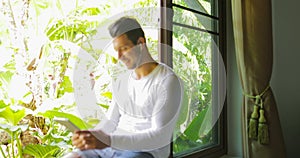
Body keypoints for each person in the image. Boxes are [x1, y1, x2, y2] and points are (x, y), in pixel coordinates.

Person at [64, 17, 183, 158]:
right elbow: (111, 122)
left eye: (124, 49)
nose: (119, 56)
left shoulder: (167, 80)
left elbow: (159, 136)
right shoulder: (122, 80)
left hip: (143, 151)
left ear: (140, 43)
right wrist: (90, 137)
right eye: (117, 50)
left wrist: (110, 141)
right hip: (113, 148)